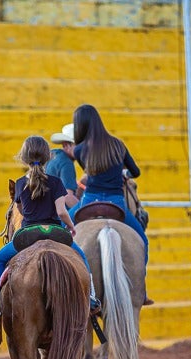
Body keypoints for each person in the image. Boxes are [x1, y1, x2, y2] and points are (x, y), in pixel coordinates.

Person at [0, 135, 101, 318]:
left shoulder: (20, 183)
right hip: (55, 232)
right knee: (81, 256)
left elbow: (20, 210)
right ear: (48, 157)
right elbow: (61, 212)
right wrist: (70, 226)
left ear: (24, 157)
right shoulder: (55, 182)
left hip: (27, 234)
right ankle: (91, 298)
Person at [67, 104, 152, 304]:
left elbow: (90, 172)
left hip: (90, 200)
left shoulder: (80, 150)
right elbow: (135, 172)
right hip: (116, 202)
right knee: (142, 240)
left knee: (61, 227)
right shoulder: (118, 145)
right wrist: (122, 173)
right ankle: (141, 288)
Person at [45, 123, 79, 208]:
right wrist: (85, 212)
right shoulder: (67, 164)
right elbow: (68, 197)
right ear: (66, 145)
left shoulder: (53, 154)